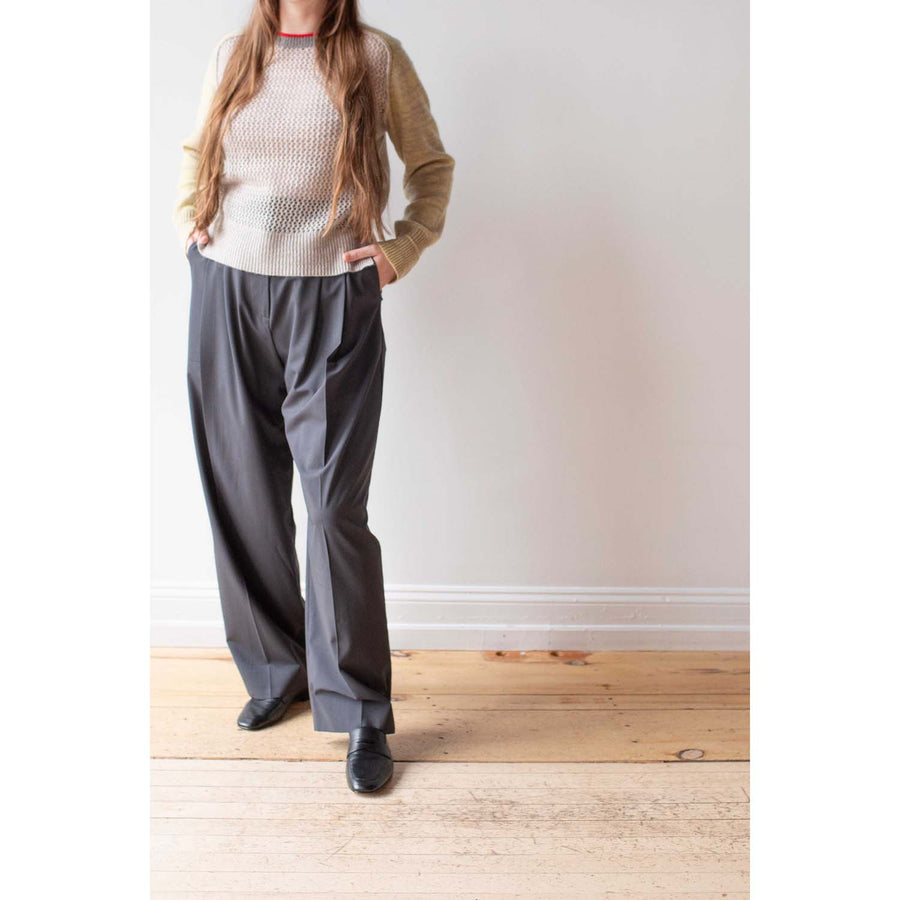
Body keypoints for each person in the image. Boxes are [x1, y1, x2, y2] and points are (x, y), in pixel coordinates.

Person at [171, 0, 454, 794]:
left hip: (332, 292)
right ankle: (278, 671)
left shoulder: (376, 56)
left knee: (334, 510)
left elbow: (431, 166)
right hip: (227, 288)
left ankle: (360, 708)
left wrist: (401, 249)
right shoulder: (234, 52)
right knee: (243, 494)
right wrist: (191, 224)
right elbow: (197, 152)